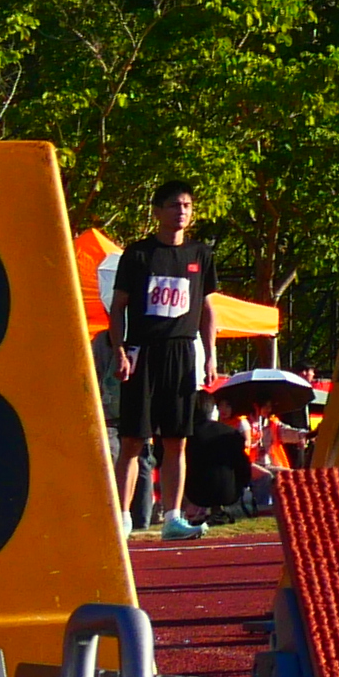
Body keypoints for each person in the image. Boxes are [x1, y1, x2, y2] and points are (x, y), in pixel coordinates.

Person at [110, 182, 218, 535]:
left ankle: (173, 517)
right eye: (174, 205)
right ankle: (122, 518)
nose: (182, 212)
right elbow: (118, 308)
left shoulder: (200, 254)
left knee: (176, 440)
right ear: (157, 211)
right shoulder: (138, 254)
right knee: (133, 439)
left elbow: (207, 309)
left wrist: (210, 355)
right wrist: (119, 351)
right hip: (143, 351)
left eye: (187, 205)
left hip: (182, 352)